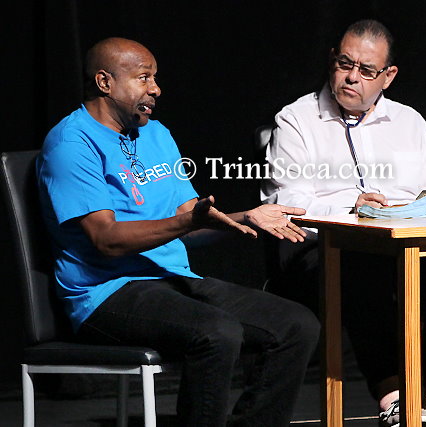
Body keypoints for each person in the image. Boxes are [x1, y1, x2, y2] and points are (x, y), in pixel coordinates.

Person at [36, 37, 320, 427]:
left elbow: (189, 217)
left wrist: (247, 217)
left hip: (171, 278)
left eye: (155, 78)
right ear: (104, 82)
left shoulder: (156, 134)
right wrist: (188, 222)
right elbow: (106, 239)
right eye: (144, 78)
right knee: (217, 332)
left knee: (295, 325)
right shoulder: (72, 142)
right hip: (105, 292)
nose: (155, 89)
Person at [261, 20, 426, 427]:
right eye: (345, 64)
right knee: (362, 257)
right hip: (317, 246)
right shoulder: (296, 119)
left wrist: (420, 209)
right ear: (332, 60)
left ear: (388, 76)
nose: (352, 77)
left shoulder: (409, 122)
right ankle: (393, 396)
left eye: (366, 70)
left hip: (404, 237)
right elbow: (289, 204)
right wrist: (351, 209)